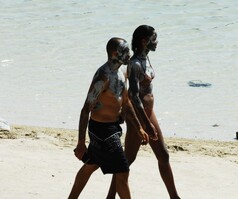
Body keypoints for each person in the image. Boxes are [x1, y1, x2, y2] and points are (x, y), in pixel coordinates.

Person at [68, 37, 150, 199]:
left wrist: (139, 127)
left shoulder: (121, 73)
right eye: (126, 51)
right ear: (114, 53)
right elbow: (85, 110)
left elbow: (126, 104)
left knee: (91, 164)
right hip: (101, 130)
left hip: (112, 128)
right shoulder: (102, 76)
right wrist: (80, 142)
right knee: (122, 171)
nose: (129, 54)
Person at [107, 25, 181, 199]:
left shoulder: (146, 59)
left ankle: (174, 197)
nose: (157, 42)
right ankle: (110, 196)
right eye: (154, 39)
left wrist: (149, 120)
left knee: (163, 155)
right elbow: (133, 95)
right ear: (144, 41)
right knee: (126, 161)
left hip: (149, 112)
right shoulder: (134, 64)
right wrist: (145, 125)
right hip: (139, 117)